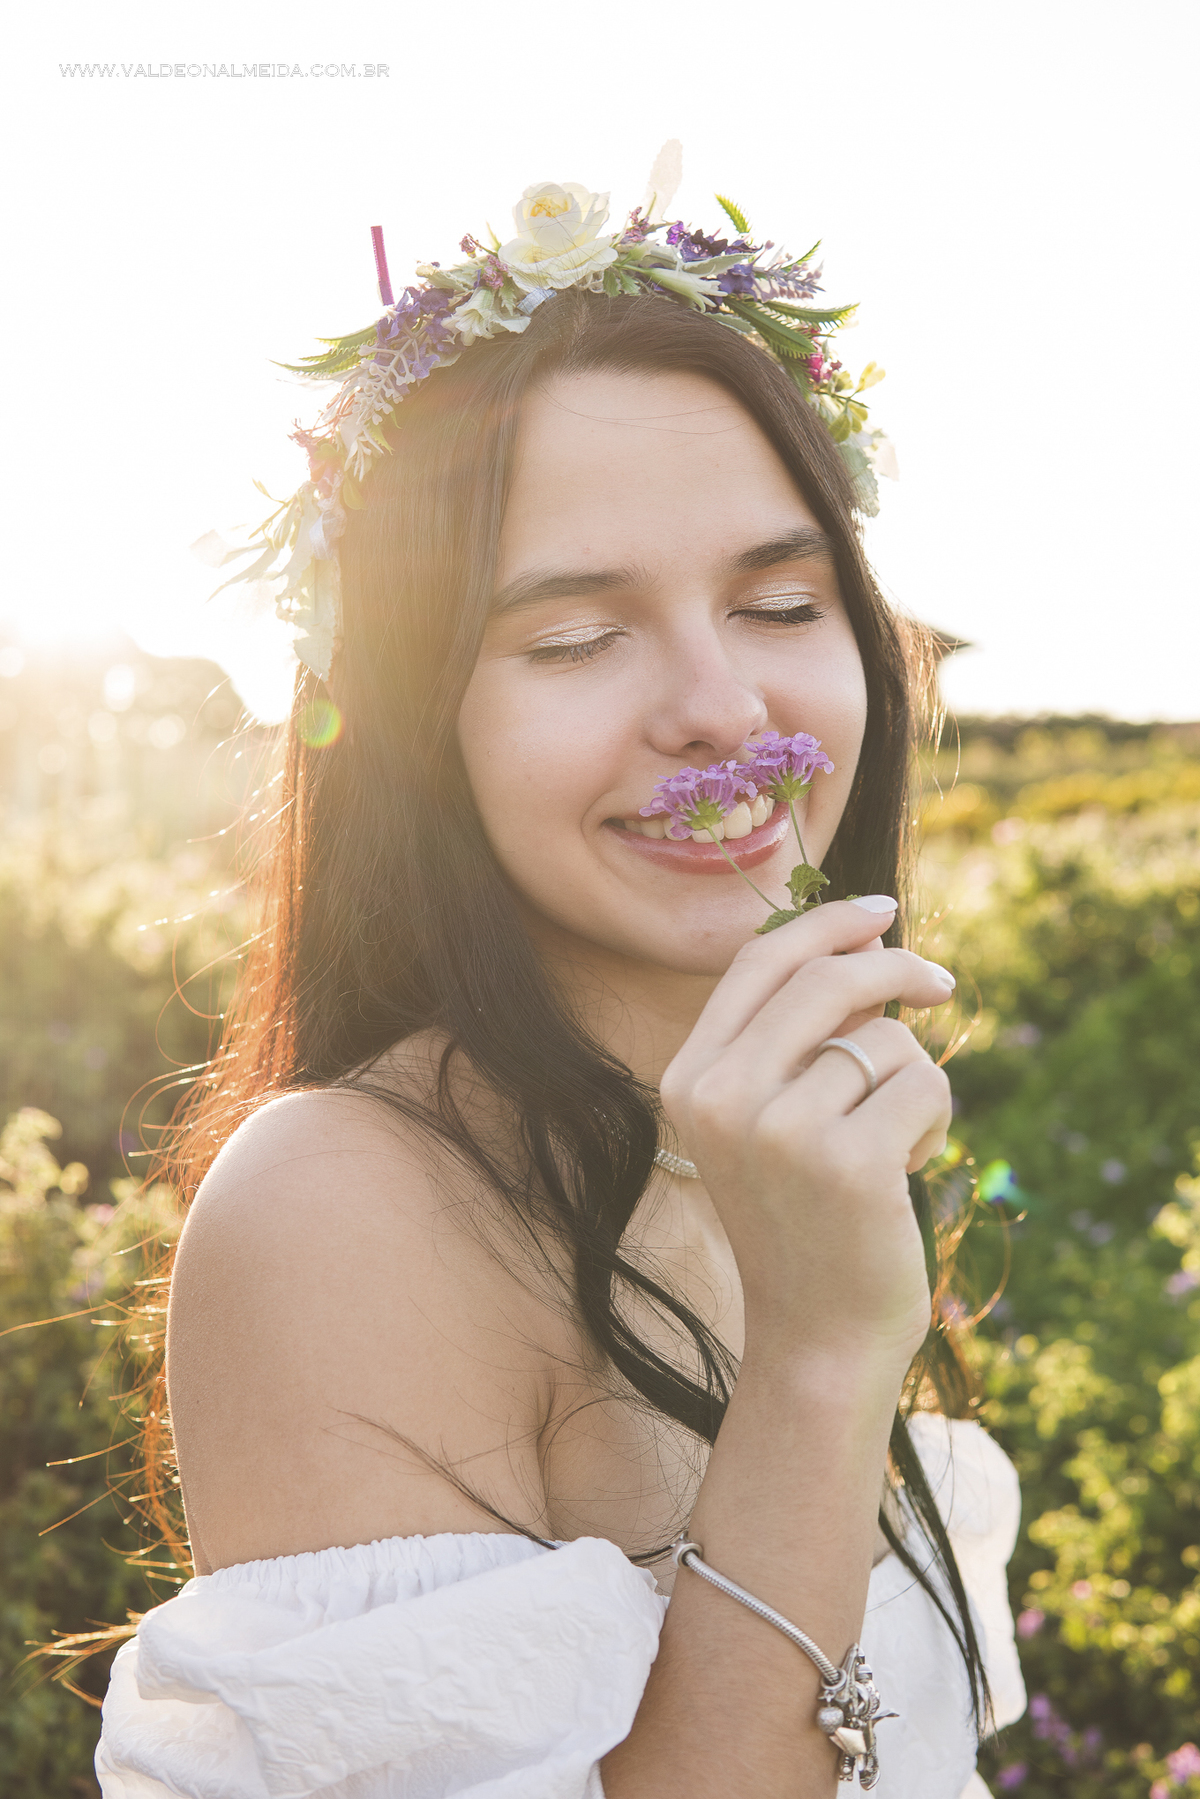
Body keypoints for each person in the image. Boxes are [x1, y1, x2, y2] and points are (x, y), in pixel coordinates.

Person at [96, 173, 1025, 1798]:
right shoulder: (349, 1210)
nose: (724, 708)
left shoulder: (773, 1131)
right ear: (412, 724)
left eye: (781, 602)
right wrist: (818, 1358)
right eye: (575, 638)